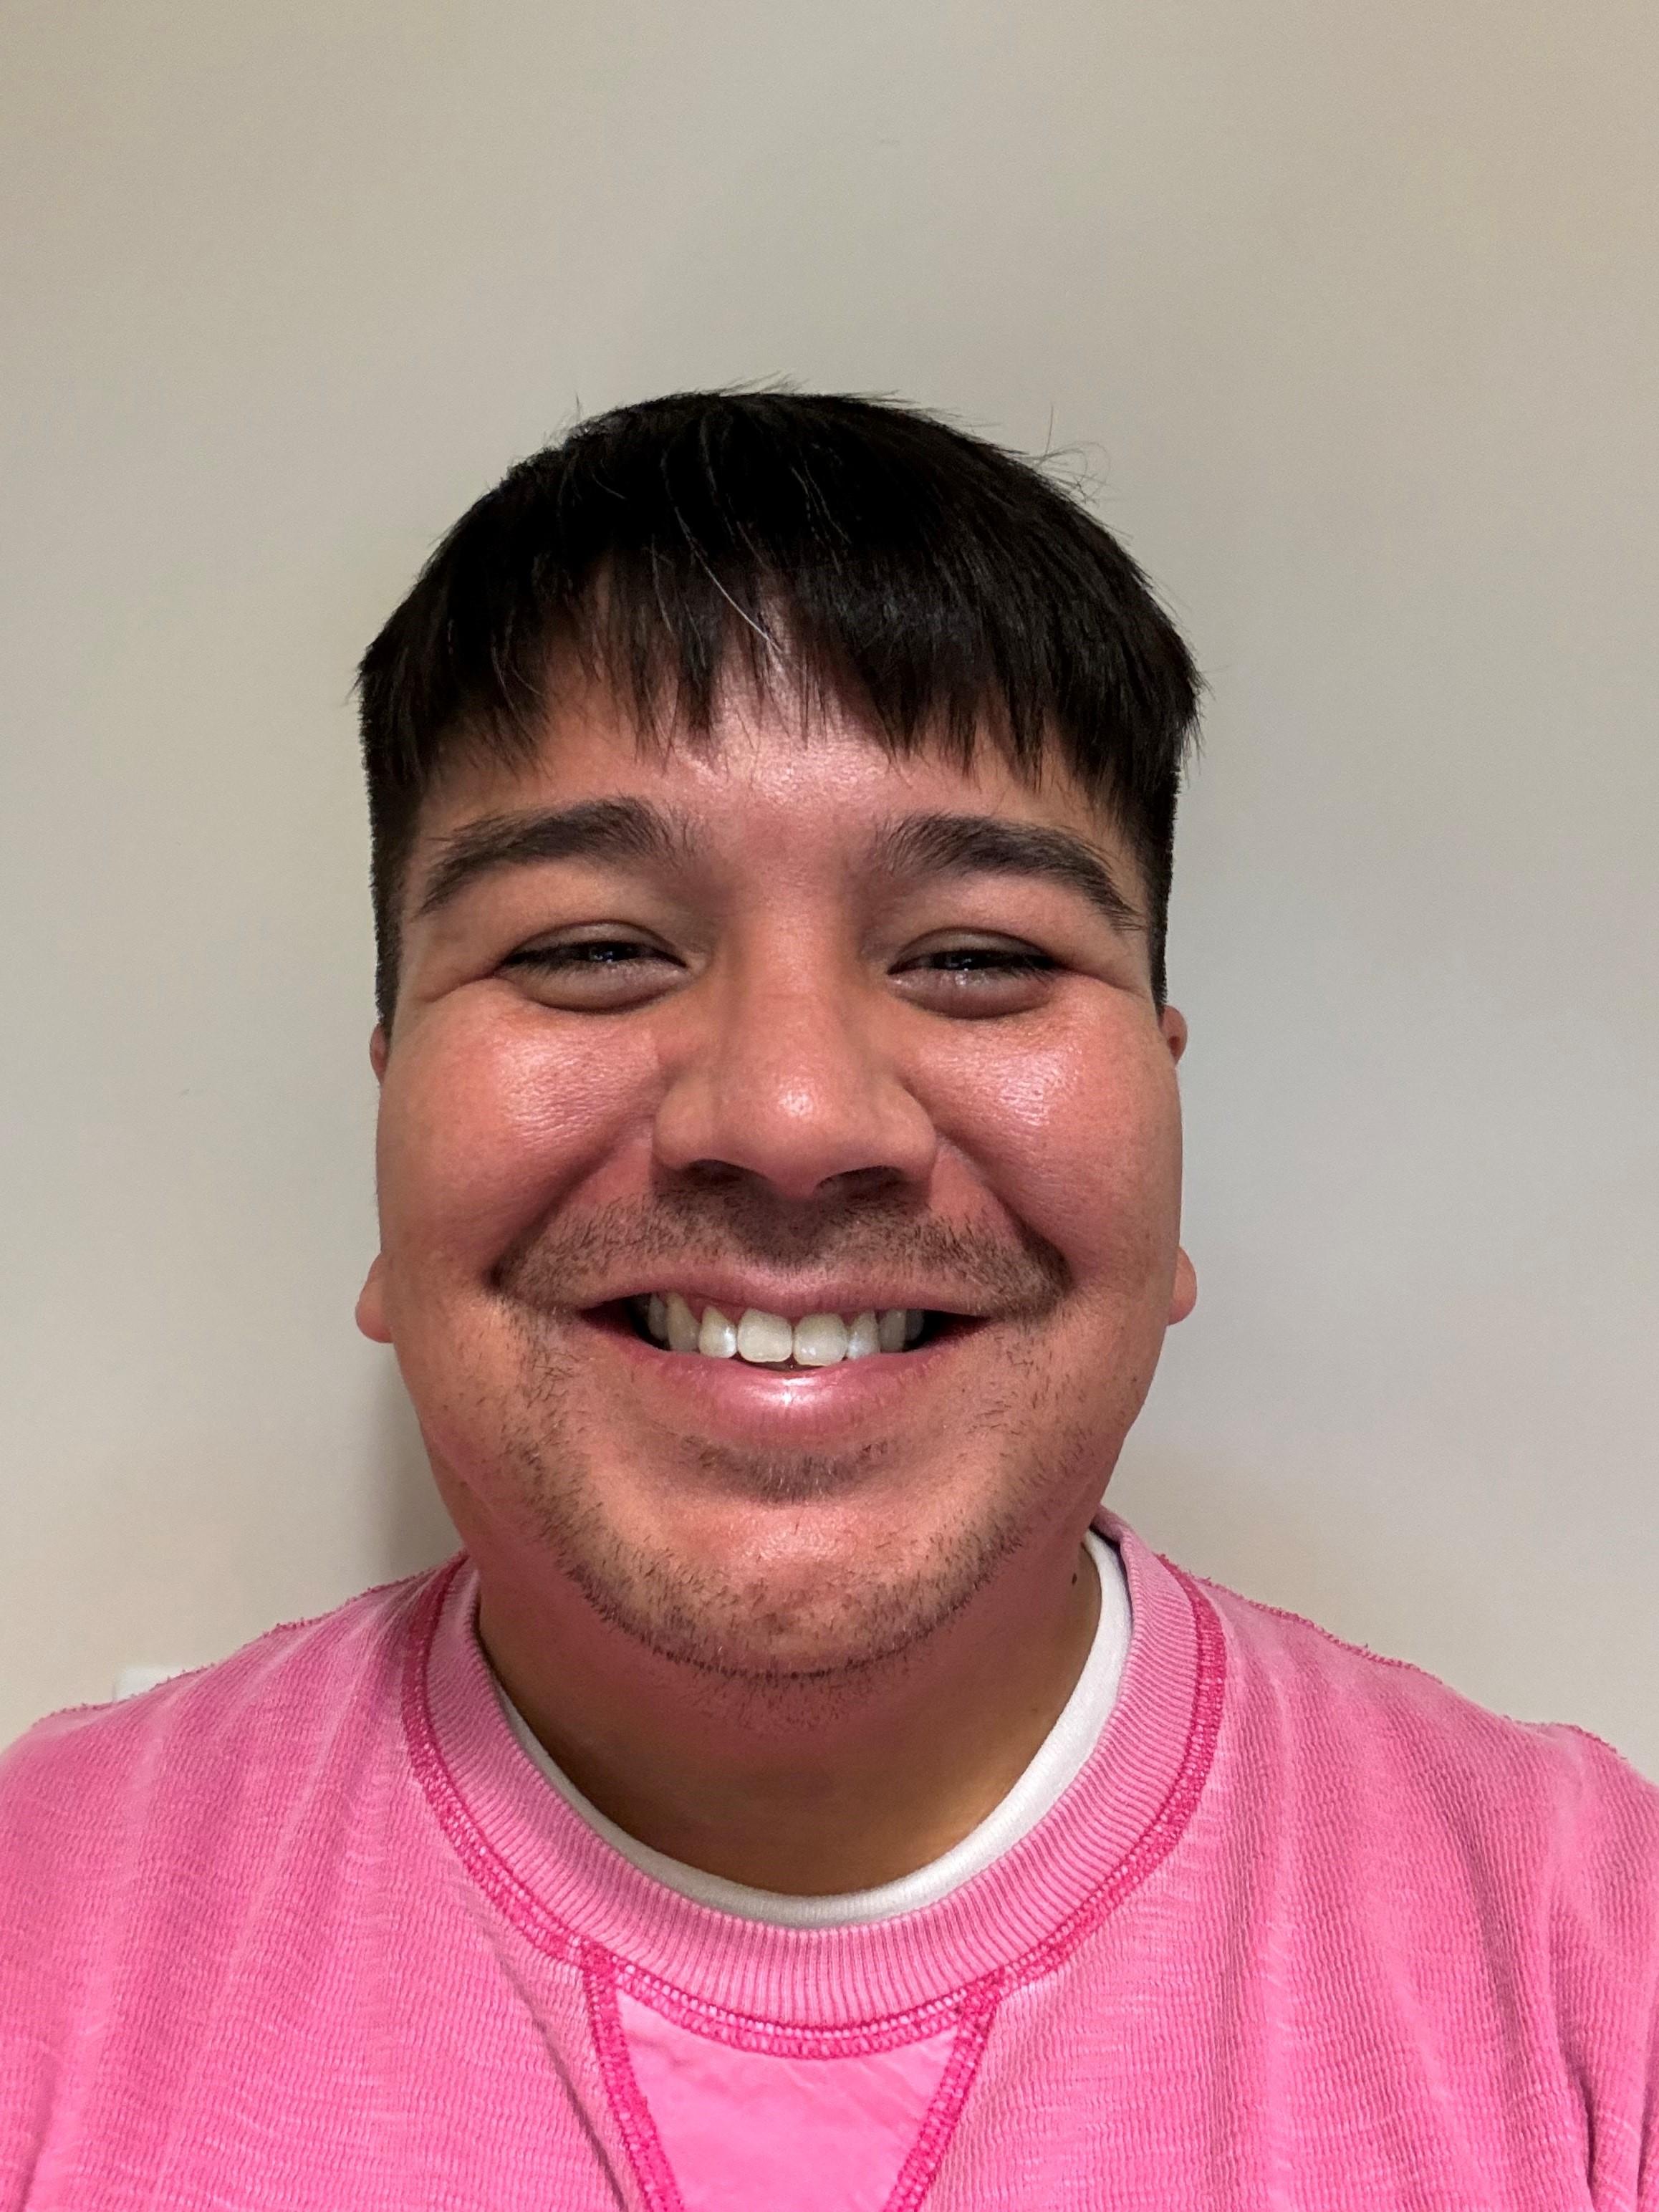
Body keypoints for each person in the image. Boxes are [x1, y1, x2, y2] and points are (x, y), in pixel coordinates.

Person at [1, 390, 1654, 2212]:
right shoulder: (41, 1925)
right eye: (591, 949)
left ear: (1167, 1124)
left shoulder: (1597, 1985)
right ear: (389, 1111)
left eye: (977, 958)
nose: (792, 1120)